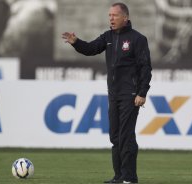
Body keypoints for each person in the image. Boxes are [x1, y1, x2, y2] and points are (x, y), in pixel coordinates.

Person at [62, 2, 152, 184]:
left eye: (115, 15)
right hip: (114, 94)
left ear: (125, 17)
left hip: (130, 94)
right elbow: (90, 49)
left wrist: (142, 93)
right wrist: (76, 43)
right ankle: (119, 177)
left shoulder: (138, 39)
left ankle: (129, 178)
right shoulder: (108, 37)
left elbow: (145, 68)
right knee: (115, 136)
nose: (111, 18)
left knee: (126, 136)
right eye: (109, 15)